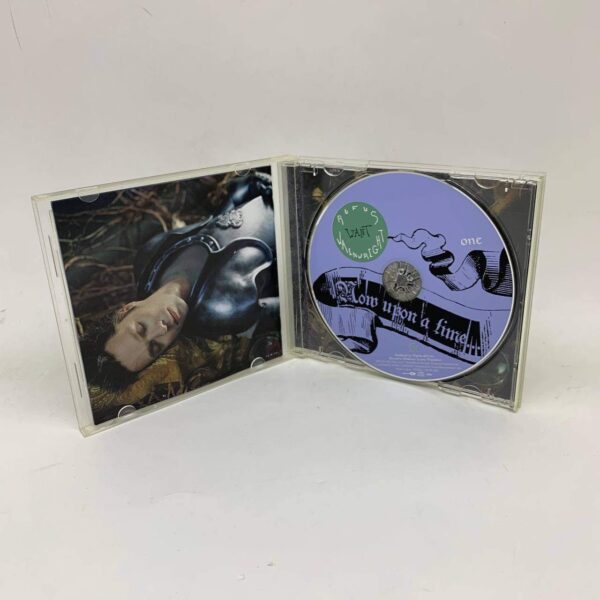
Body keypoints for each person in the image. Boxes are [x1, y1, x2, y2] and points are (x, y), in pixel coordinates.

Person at [81, 172, 280, 390]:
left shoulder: (148, 258)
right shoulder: (222, 311)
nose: (161, 329)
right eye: (155, 347)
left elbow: (217, 221)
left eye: (141, 329)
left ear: (127, 309)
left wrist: (245, 186)